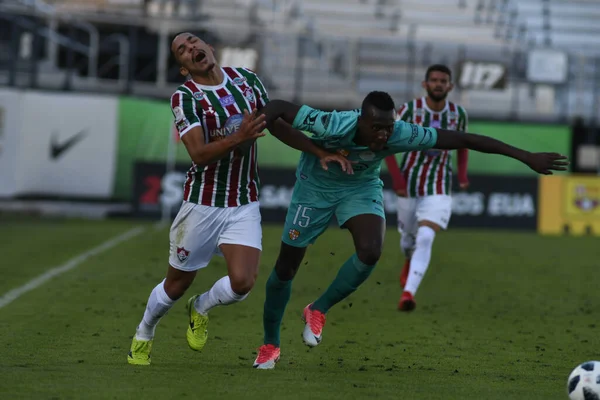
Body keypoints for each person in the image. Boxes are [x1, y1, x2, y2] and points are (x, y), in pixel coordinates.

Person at [251, 91, 568, 369]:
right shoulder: (331, 124)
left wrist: (526, 156)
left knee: (371, 250)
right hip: (314, 189)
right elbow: (276, 109)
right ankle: (270, 344)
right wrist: (317, 151)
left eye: (388, 127)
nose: (383, 135)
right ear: (361, 121)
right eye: (376, 128)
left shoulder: (401, 133)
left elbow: (464, 140)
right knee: (286, 268)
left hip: (359, 188)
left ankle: (318, 309)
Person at [127, 33, 350, 366]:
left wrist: (318, 151)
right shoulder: (185, 97)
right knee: (176, 284)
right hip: (202, 203)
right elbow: (199, 153)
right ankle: (144, 333)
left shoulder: (247, 80)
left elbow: (276, 125)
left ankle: (200, 306)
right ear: (184, 68)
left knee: (243, 283)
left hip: (243, 201)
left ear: (210, 48)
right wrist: (239, 137)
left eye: (194, 42)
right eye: (182, 50)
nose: (191, 48)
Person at [384, 64, 468, 312]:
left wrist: (462, 174)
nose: (438, 84)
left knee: (426, 236)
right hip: (409, 184)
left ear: (450, 86)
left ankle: (408, 293)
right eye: (434, 80)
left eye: (443, 81)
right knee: (408, 241)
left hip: (439, 185)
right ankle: (408, 260)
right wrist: (397, 179)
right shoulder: (409, 110)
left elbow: (463, 143)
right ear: (425, 84)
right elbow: (386, 141)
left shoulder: (458, 114)